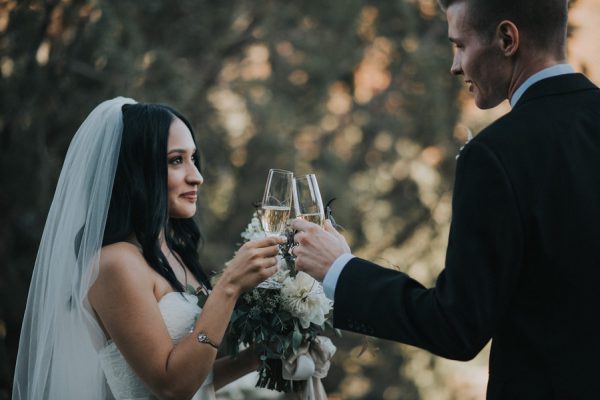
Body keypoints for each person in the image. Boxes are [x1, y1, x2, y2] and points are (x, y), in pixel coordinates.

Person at [291, 0, 600, 398]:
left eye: (459, 45)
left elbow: (457, 326)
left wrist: (340, 270)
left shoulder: (495, 156)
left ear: (507, 39)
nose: (455, 66)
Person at [12, 97, 283, 399]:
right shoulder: (114, 263)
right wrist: (230, 285)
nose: (197, 176)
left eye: (193, 158)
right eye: (176, 160)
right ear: (138, 170)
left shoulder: (174, 254)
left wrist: (256, 357)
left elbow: (195, 380)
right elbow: (171, 386)